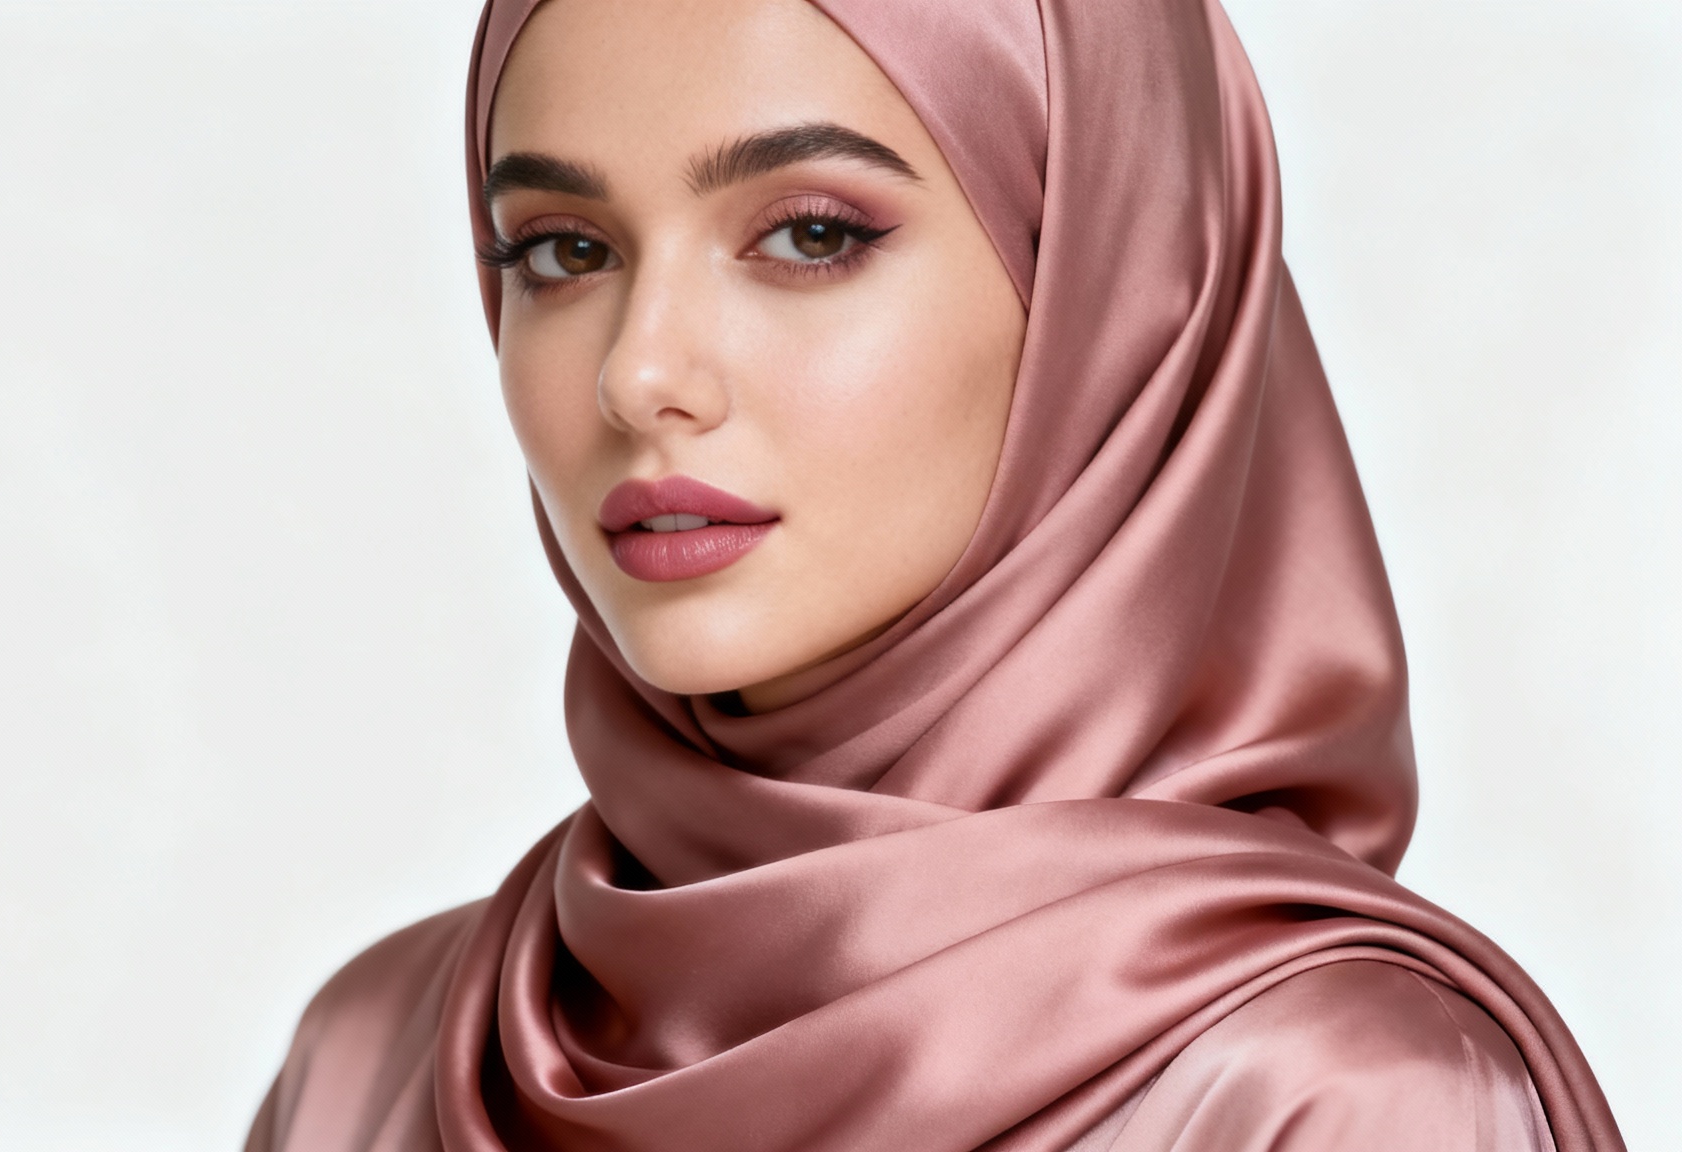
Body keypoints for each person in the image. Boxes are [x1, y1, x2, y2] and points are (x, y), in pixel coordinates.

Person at [245, 0, 1624, 1148]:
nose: (639, 372)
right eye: (564, 251)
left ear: (1113, 291)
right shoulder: (373, 1060)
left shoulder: (1336, 1099)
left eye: (812, 235)